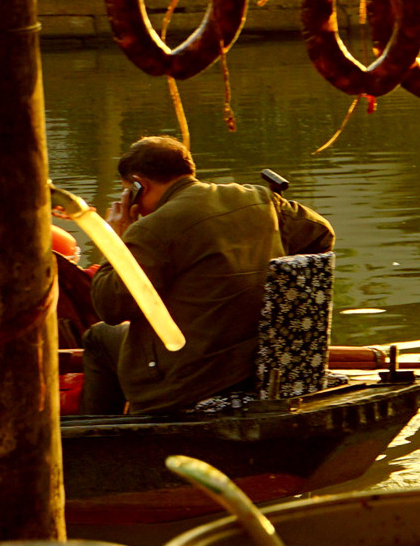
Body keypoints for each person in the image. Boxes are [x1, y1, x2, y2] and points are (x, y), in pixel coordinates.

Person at [81, 136, 334, 415]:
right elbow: (321, 234)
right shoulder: (261, 199)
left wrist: (115, 242)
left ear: (140, 186)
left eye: (127, 192)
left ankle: (100, 432)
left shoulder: (151, 229)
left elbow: (109, 306)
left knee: (99, 336)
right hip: (258, 360)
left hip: (190, 379)